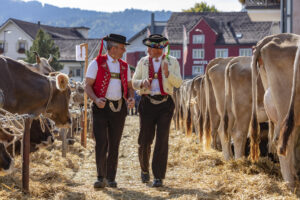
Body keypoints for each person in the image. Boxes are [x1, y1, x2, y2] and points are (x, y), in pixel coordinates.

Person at [84, 33, 135, 189]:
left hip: (118, 109)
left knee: (114, 143)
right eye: (122, 48)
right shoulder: (96, 63)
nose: (124, 51)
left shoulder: (124, 66)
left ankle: (111, 178)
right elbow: (87, 86)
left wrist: (131, 98)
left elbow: (130, 87)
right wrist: (95, 99)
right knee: (101, 143)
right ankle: (101, 177)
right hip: (100, 107)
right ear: (113, 49)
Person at [132, 34, 182, 187]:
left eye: (160, 48)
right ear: (149, 49)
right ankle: (145, 169)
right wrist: (142, 82)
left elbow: (178, 83)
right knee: (145, 140)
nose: (157, 51)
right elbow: (134, 82)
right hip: (147, 103)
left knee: (162, 140)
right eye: (154, 48)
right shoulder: (143, 62)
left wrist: (168, 74)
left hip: (165, 104)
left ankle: (159, 176)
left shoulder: (172, 62)